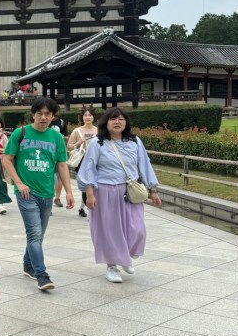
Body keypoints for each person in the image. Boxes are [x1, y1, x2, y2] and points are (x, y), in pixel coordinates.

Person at [77, 107, 161, 283]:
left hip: (129, 191)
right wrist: (90, 194)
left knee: (137, 229)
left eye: (121, 119)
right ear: (106, 123)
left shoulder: (135, 141)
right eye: (113, 119)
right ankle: (112, 266)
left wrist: (153, 190)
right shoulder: (98, 143)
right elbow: (88, 168)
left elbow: (144, 165)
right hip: (105, 191)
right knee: (110, 230)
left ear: (126, 123)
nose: (117, 122)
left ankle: (124, 256)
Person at [1, 97, 74, 292]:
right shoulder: (21, 133)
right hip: (26, 192)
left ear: (53, 116)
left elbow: (62, 165)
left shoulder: (56, 137)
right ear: (33, 114)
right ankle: (41, 275)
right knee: (34, 232)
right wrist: (19, 183)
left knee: (38, 234)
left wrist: (68, 192)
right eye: (39, 113)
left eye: (47, 114)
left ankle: (28, 266)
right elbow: (7, 159)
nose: (43, 117)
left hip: (47, 192)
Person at [66, 108, 98, 217]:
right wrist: (79, 142)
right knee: (86, 185)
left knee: (94, 185)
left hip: (96, 161)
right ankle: (90, 211)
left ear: (94, 117)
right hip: (82, 161)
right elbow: (69, 147)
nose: (87, 117)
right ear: (82, 117)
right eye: (85, 115)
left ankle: (82, 208)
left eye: (90, 115)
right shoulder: (77, 131)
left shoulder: (99, 131)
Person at [49, 111, 69, 207]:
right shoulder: (45, 121)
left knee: (59, 175)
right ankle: (48, 199)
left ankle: (57, 198)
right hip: (47, 151)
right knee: (48, 176)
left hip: (58, 151)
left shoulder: (61, 122)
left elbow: (67, 137)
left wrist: (61, 137)